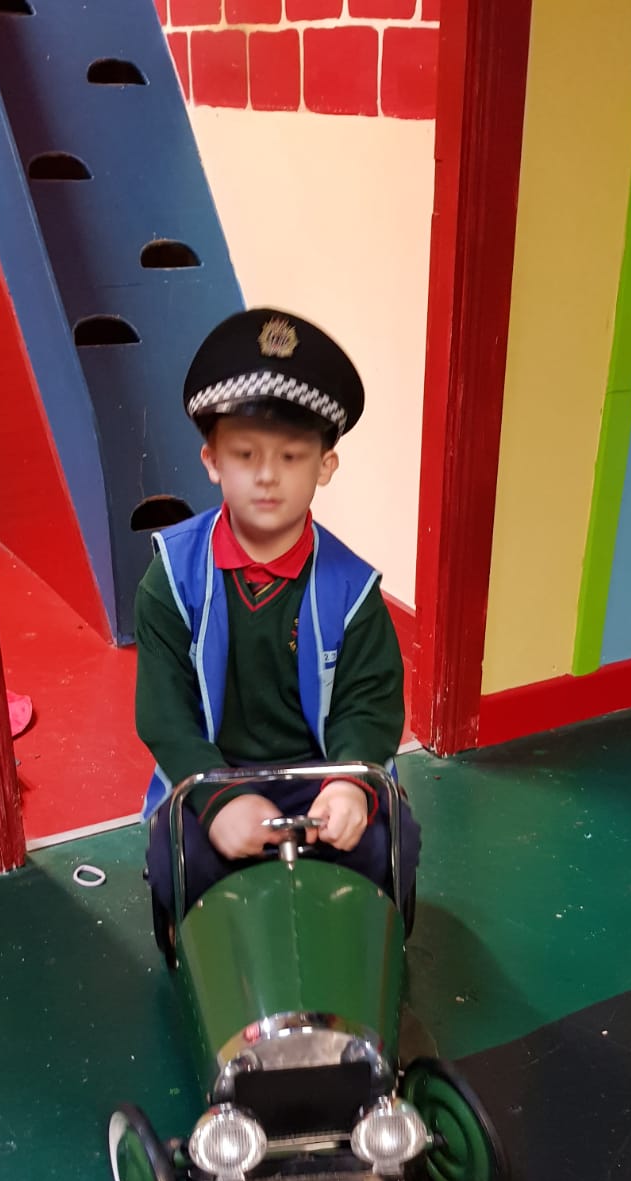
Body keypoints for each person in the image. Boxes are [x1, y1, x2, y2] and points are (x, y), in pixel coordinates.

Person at [135, 306, 420, 917]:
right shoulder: (171, 579)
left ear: (326, 466)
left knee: (388, 845)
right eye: (245, 454)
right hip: (214, 774)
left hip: (322, 775)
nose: (267, 477)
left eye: (291, 457)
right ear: (212, 461)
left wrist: (348, 784)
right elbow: (164, 717)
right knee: (181, 859)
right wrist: (218, 803)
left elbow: (370, 705)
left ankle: (366, 964)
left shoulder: (354, 588)